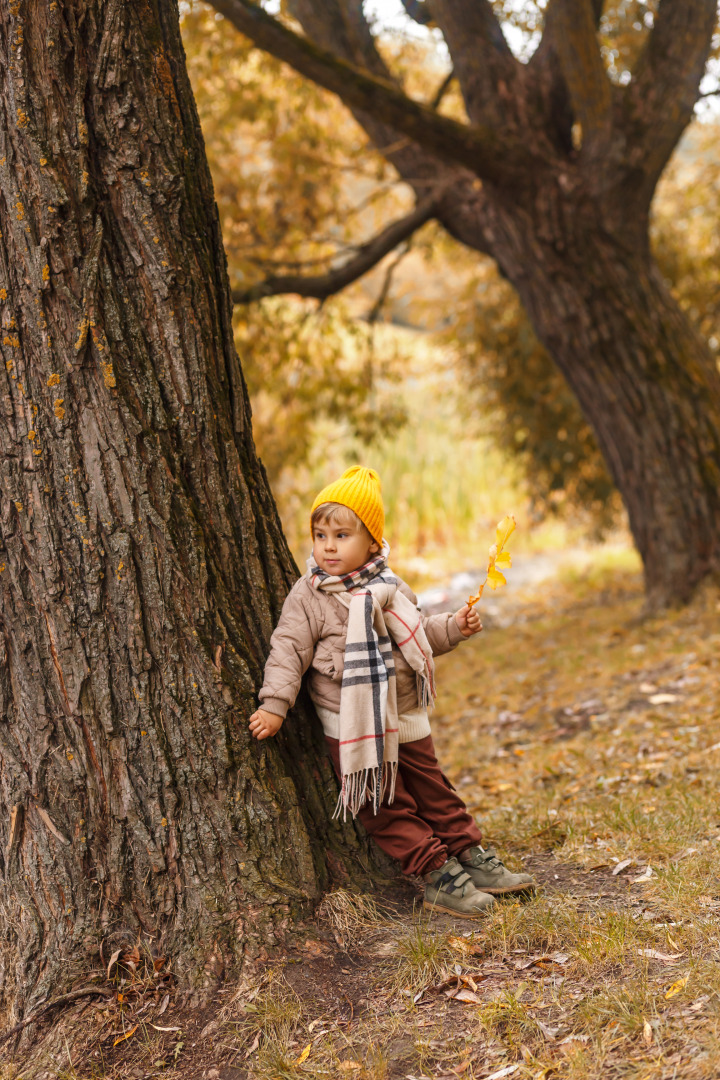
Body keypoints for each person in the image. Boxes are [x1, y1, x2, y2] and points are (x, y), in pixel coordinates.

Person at [248, 466, 535, 917]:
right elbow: (288, 650)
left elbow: (418, 635)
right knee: (384, 803)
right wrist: (275, 704)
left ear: (372, 543)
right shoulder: (309, 596)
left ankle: (470, 854)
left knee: (435, 789)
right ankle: (437, 871)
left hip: (406, 714)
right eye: (320, 534)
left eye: (341, 535)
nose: (328, 546)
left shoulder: (391, 586)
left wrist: (454, 628)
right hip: (354, 722)